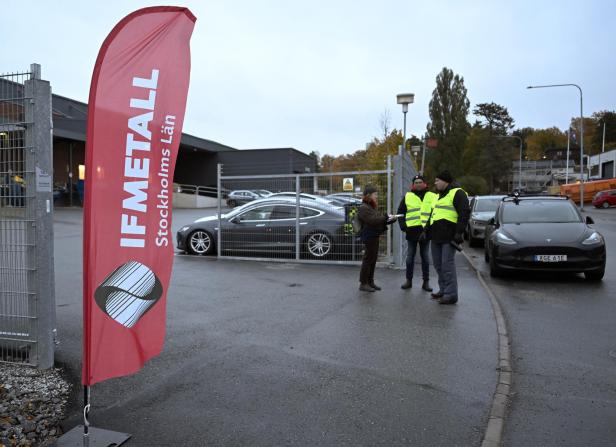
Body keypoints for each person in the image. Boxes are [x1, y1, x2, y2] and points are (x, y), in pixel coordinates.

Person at [425, 170, 470, 305]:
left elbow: (464, 213)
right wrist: (426, 230)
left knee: (447, 266)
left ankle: (451, 294)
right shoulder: (438, 196)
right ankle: (444, 290)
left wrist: (459, 232)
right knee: (439, 265)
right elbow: (433, 214)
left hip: (449, 237)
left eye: (437, 180)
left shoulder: (457, 193)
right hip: (436, 237)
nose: (435, 183)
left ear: (445, 181)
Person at [397, 174, 437, 291]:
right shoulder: (408, 196)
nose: (418, 184)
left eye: (420, 182)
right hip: (411, 232)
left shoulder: (432, 196)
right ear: (413, 185)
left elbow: (436, 212)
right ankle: (408, 280)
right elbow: (400, 212)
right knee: (410, 257)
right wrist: (403, 226)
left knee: (425, 257)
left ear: (425, 184)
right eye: (416, 182)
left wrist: (431, 228)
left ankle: (426, 282)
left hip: (426, 231)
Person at [357, 185, 395, 292]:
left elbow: (378, 220)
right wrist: (386, 217)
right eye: (375, 194)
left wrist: (390, 220)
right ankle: (363, 283)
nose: (376, 196)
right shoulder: (364, 207)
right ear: (369, 195)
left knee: (372, 259)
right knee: (368, 259)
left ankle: (370, 282)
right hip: (369, 236)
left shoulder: (370, 206)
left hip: (373, 235)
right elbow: (372, 221)